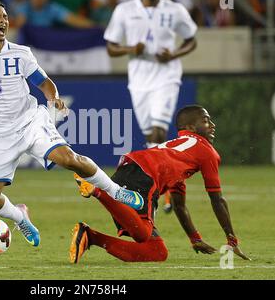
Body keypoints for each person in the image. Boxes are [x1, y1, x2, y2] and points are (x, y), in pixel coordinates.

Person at [0, 0, 144, 248]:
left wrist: (53, 98)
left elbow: (44, 83)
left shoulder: (20, 53)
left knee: (67, 158)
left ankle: (116, 190)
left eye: (6, 16)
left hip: (30, 121)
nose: (4, 21)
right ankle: (21, 217)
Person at [70, 105, 251, 263]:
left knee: (156, 251)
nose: (212, 125)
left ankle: (90, 237)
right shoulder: (206, 150)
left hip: (131, 172)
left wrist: (195, 238)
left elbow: (179, 206)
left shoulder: (177, 154)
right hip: (145, 178)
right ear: (190, 127)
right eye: (205, 120)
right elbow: (217, 199)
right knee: (142, 234)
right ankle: (98, 190)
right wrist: (231, 240)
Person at [103, 0, 197, 213]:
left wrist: (174, 54)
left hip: (166, 77)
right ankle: (168, 185)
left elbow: (191, 40)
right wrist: (130, 49)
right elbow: (111, 47)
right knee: (150, 138)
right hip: (139, 81)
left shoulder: (174, 10)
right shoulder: (124, 11)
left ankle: (153, 193)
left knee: (158, 132)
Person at [14, 0, 94, 29]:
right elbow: (20, 23)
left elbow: (73, 20)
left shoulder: (52, 8)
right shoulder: (23, 7)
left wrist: (96, 26)